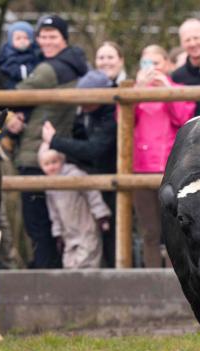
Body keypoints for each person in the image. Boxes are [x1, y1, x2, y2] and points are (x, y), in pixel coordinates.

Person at [5, 14, 88, 269]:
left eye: (53, 36)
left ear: (64, 38)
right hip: (55, 150)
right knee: (56, 224)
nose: (46, 41)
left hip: (35, 154)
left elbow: (15, 94)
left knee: (38, 224)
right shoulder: (75, 64)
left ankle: (42, 276)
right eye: (42, 36)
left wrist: (11, 115)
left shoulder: (49, 69)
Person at [41, 69, 117, 267]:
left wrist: (55, 141)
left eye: (86, 99)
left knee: (111, 236)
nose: (81, 103)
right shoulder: (86, 113)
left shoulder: (112, 114)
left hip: (112, 177)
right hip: (92, 177)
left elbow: (95, 149)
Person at [133, 45, 195, 267]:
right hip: (140, 169)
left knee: (176, 229)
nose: (152, 69)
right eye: (146, 64)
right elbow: (123, 122)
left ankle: (175, 280)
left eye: (156, 63)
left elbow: (182, 118)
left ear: (167, 65)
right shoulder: (134, 91)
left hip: (172, 169)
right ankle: (151, 278)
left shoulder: (179, 89)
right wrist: (138, 91)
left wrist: (167, 90)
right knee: (150, 232)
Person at [39, 147, 111, 269]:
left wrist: (101, 215)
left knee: (88, 260)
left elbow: (92, 194)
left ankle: (89, 286)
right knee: (69, 263)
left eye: (54, 162)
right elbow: (54, 213)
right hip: (68, 232)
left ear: (61, 161)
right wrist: (57, 233)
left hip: (86, 227)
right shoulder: (49, 186)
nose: (51, 167)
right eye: (46, 164)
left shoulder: (75, 175)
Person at [171, 18, 200, 116]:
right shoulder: (176, 77)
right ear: (181, 43)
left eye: (196, 38)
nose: (192, 43)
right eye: (187, 40)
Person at [0, 21, 42, 89]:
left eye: (26, 38)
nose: (22, 41)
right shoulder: (6, 55)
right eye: (18, 38)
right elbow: (8, 70)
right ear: (10, 40)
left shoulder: (36, 53)